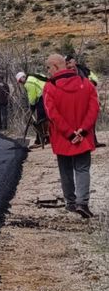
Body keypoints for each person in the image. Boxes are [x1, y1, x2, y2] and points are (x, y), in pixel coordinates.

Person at [43, 54, 99, 218]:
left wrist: (69, 133)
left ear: (55, 66)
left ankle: (71, 203)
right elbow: (94, 109)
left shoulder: (50, 87)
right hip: (83, 137)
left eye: (48, 68)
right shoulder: (85, 83)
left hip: (62, 138)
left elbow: (52, 114)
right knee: (82, 168)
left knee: (65, 170)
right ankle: (82, 203)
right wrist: (82, 130)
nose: (48, 72)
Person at [65, 55, 104, 147]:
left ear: (74, 61)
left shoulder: (83, 70)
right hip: (75, 101)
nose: (68, 65)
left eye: (69, 62)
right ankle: (81, 141)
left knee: (90, 121)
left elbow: (95, 80)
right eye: (66, 64)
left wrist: (89, 85)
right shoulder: (67, 73)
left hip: (86, 98)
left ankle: (92, 141)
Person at [17, 71, 48, 146]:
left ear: (22, 78)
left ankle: (42, 139)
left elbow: (32, 97)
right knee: (45, 118)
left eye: (20, 81)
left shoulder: (28, 83)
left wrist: (32, 105)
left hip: (43, 97)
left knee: (41, 119)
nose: (21, 83)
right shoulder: (34, 75)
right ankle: (41, 138)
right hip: (49, 93)